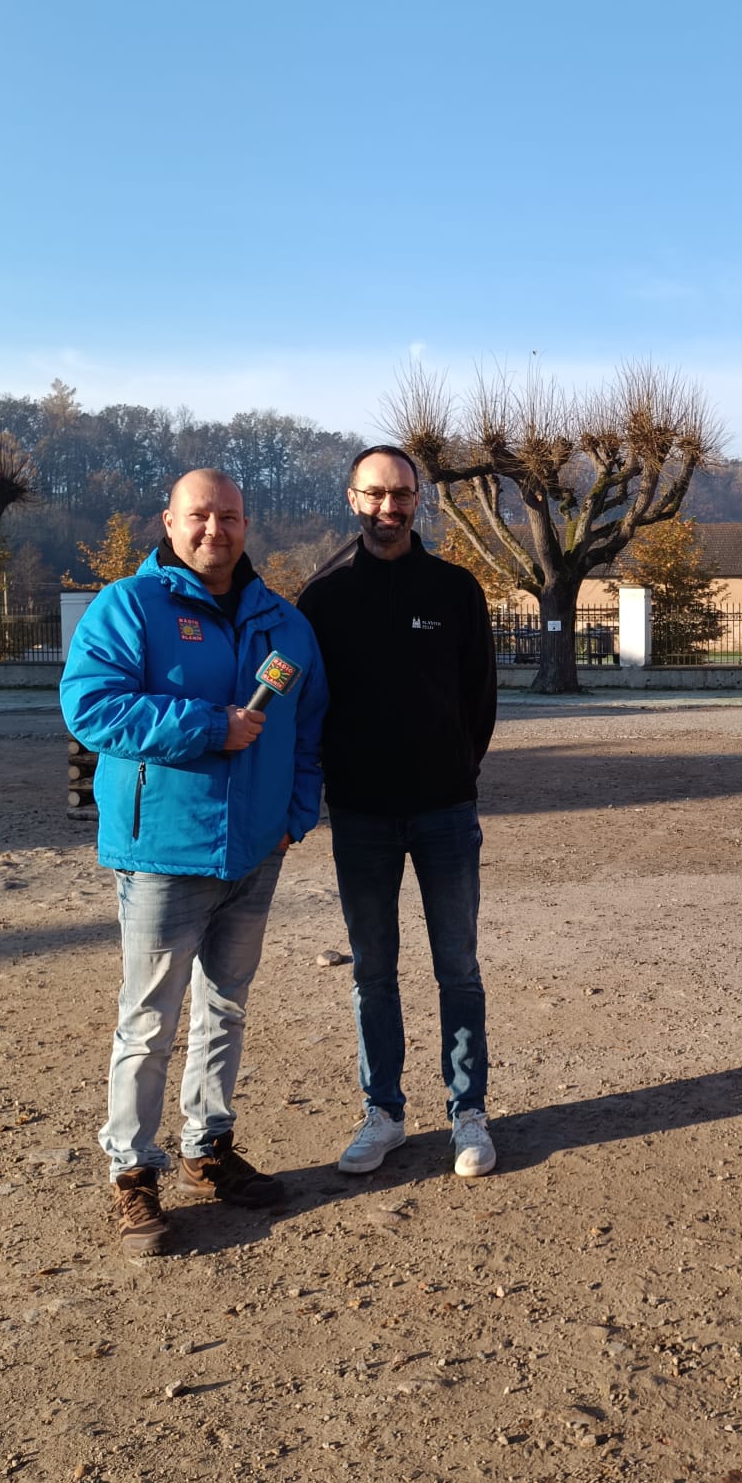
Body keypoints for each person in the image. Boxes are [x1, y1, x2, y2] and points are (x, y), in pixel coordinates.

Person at [61, 469, 327, 1256]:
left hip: (256, 851)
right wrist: (212, 726)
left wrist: (294, 817)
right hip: (163, 854)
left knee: (225, 1009)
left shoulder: (285, 624)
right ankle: (132, 1170)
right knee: (148, 1019)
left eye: (230, 516)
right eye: (200, 516)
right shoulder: (128, 606)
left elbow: (308, 730)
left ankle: (207, 1146)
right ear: (170, 522)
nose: (216, 530)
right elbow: (91, 705)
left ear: (247, 525)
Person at [297, 445, 499, 1178]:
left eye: (402, 494)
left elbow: (480, 698)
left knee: (459, 969)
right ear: (353, 499)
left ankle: (468, 1114)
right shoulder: (322, 598)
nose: (390, 507)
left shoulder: (454, 589)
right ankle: (382, 1112)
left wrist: (456, 770)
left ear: (419, 499)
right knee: (373, 972)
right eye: (376, 494)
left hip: (445, 811)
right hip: (361, 816)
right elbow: (306, 705)